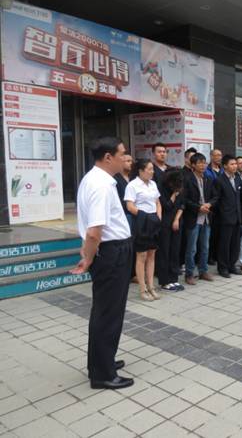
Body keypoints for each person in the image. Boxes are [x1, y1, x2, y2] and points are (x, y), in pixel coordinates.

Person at [72, 136, 134, 390]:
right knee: (108, 314)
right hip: (111, 253)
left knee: (106, 311)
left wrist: (88, 253)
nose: (126, 158)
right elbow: (94, 231)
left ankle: (102, 360)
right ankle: (102, 374)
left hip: (110, 251)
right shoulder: (101, 186)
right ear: (108, 157)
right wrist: (87, 258)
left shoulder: (94, 179)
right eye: (122, 154)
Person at [125, 159, 162, 301]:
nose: (152, 172)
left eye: (153, 169)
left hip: (153, 220)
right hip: (141, 221)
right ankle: (142, 289)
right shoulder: (132, 185)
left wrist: (158, 217)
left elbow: (157, 202)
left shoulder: (153, 184)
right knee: (141, 255)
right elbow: (130, 206)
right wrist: (144, 217)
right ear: (141, 171)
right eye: (150, 169)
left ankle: (151, 286)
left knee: (152, 254)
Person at [183, 153, 216, 285]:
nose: (203, 165)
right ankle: (189, 274)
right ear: (193, 165)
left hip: (206, 218)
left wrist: (209, 204)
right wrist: (198, 207)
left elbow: (215, 196)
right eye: (200, 163)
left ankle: (203, 271)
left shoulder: (208, 179)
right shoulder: (187, 179)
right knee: (192, 248)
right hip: (193, 218)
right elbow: (184, 200)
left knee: (205, 247)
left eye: (204, 162)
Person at [213, 154, 242, 278]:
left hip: (237, 216)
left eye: (235, 164)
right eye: (232, 164)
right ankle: (223, 267)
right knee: (224, 244)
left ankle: (232, 265)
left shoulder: (237, 179)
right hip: (225, 218)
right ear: (225, 166)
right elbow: (216, 200)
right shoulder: (219, 180)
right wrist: (223, 214)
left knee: (235, 243)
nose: (235, 166)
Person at [156, 169, 185, 292]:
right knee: (164, 252)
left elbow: (182, 205)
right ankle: (164, 281)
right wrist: (173, 195)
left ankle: (173, 278)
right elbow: (166, 206)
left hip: (176, 222)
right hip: (165, 223)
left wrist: (176, 219)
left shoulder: (180, 187)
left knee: (175, 251)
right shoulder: (161, 188)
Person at [206, 149, 223, 264]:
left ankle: (218, 255)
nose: (219, 157)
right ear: (211, 156)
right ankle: (210, 256)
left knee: (221, 233)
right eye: (216, 155)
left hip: (223, 205)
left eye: (220, 155)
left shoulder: (223, 170)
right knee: (212, 233)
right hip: (212, 205)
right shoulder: (207, 171)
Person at [115, 153, 133, 226]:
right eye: (128, 161)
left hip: (134, 213)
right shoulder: (115, 179)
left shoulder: (133, 177)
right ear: (121, 163)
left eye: (131, 161)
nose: (131, 163)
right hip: (122, 214)